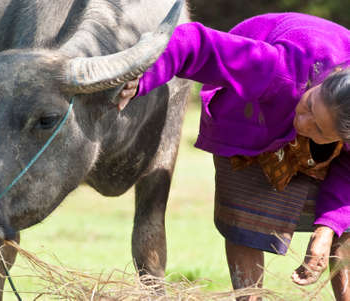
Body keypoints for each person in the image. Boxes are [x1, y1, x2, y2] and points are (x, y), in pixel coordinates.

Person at [118, 12, 350, 301]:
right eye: (310, 107)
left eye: (318, 129)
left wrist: (328, 227)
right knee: (245, 211)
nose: (303, 124)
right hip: (249, 109)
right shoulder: (276, 68)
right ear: (317, 87)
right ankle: (249, 297)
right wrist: (145, 77)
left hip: (313, 111)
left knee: (345, 225)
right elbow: (195, 42)